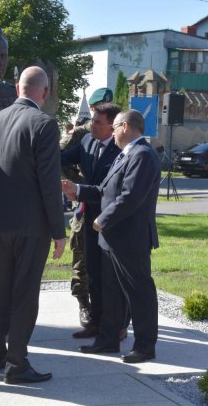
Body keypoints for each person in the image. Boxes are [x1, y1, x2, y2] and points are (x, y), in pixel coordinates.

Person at [0, 66, 66, 384]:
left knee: (0, 290)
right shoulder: (45, 124)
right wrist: (59, 231)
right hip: (32, 224)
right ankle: (16, 363)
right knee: (25, 294)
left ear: (18, 87)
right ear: (44, 93)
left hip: (0, 219)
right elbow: (49, 183)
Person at [62, 109, 160, 364]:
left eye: (115, 127)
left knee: (139, 294)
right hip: (112, 238)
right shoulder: (126, 154)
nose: (113, 132)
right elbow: (106, 190)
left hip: (130, 238)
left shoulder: (143, 155)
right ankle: (107, 340)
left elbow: (130, 197)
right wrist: (79, 190)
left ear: (125, 127)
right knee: (111, 293)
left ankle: (144, 346)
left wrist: (101, 220)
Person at [61, 103, 124, 345]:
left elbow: (111, 190)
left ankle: (117, 325)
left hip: (111, 219)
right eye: (92, 120)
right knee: (93, 273)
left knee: (113, 276)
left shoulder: (121, 150)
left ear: (113, 125)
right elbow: (63, 157)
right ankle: (97, 323)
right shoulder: (87, 141)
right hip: (88, 217)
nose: (92, 126)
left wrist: (78, 190)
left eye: (98, 122)